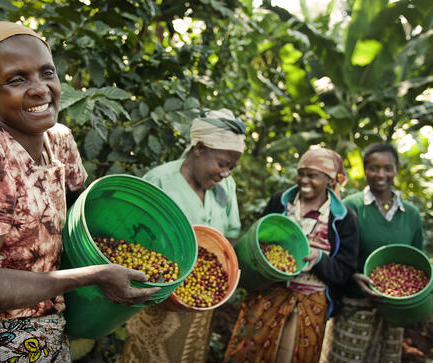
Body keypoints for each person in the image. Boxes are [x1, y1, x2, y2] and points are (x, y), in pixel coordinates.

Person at [0, 20, 159, 362]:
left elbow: (84, 222)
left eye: (47, 73)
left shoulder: (58, 139)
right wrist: (94, 276)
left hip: (54, 333)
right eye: (17, 79)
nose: (39, 89)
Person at [118, 109, 246, 363]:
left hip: (200, 300)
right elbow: (134, 244)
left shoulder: (226, 186)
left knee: (189, 352)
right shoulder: (159, 181)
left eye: (231, 168)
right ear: (198, 148)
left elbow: (229, 235)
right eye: (222, 164)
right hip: (158, 297)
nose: (226, 174)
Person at [224, 148, 359, 363]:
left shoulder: (343, 218)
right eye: (301, 173)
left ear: (329, 180)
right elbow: (258, 237)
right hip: (268, 293)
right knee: (249, 352)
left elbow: (345, 270)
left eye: (312, 175)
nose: (303, 180)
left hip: (309, 303)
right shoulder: (281, 202)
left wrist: (319, 259)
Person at [319, 143, 424, 363]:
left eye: (388, 168)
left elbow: (418, 262)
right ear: (365, 170)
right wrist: (353, 278)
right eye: (374, 168)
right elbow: (334, 255)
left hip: (393, 310)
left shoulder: (411, 214)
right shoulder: (350, 207)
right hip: (354, 305)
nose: (381, 174)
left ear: (396, 170)